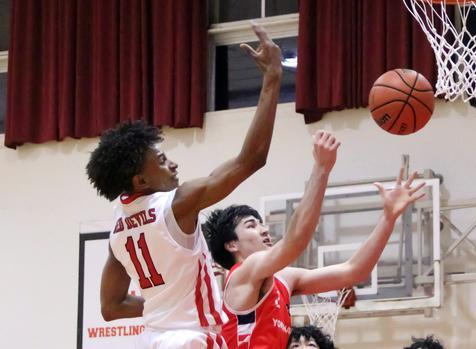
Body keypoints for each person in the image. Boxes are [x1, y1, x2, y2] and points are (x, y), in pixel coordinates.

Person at [85, 23, 282, 349]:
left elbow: (111, 307)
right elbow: (252, 159)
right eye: (161, 160)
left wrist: (165, 306)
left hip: (153, 340)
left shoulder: (118, 228)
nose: (172, 163)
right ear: (140, 180)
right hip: (189, 339)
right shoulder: (178, 203)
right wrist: (272, 80)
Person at [203, 146, 426, 349]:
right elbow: (296, 240)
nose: (264, 230)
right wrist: (321, 170)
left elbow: (354, 271)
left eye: (262, 223)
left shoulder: (285, 279)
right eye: (251, 226)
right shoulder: (244, 272)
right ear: (231, 244)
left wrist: (388, 218)